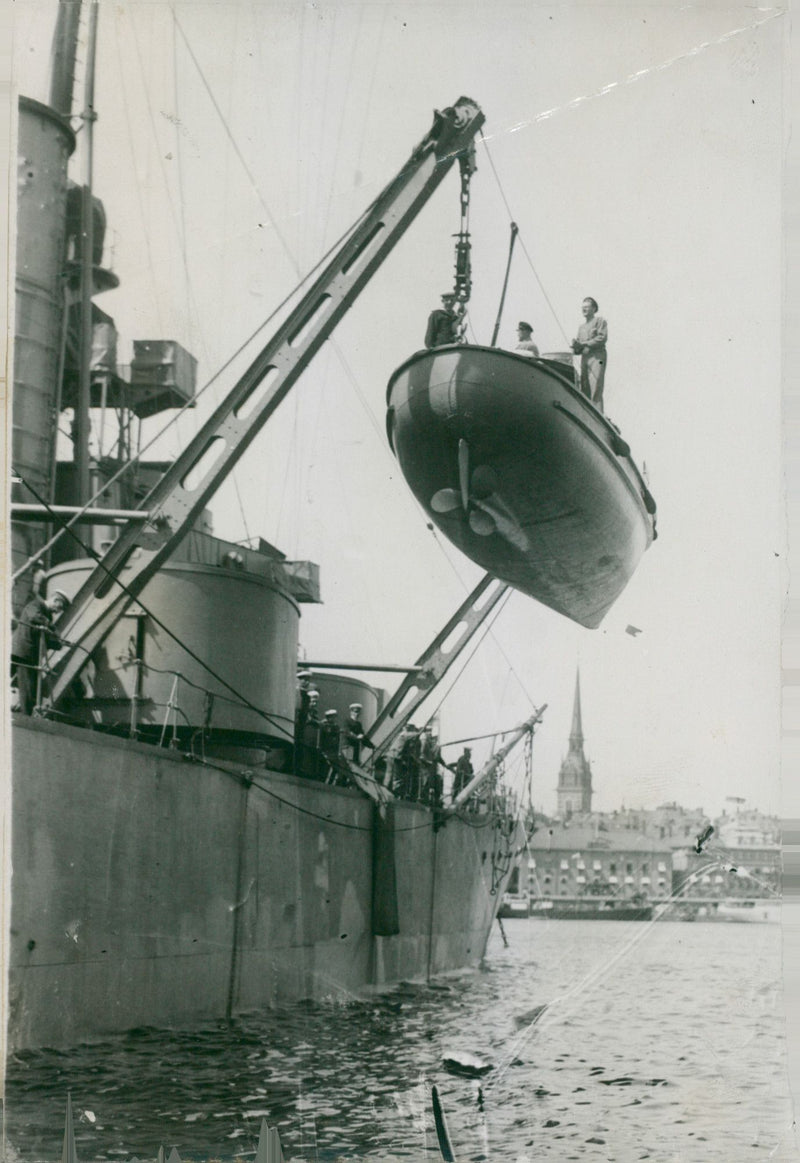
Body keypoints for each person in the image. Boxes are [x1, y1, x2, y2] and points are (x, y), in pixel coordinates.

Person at [11, 589, 68, 715]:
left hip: (30, 654)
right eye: (59, 607)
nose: (59, 611)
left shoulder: (48, 616)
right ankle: (26, 718)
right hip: (22, 651)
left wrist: (58, 645)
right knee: (27, 687)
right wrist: (53, 628)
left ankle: (26, 714)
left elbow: (43, 639)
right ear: (55, 600)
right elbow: (34, 617)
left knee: (31, 687)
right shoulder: (36, 605)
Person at [571, 297, 607, 411]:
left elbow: (602, 338)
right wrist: (576, 346)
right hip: (584, 358)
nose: (584, 309)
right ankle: (586, 413)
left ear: (594, 308)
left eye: (586, 307)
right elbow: (578, 350)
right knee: (584, 386)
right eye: (583, 307)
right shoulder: (581, 327)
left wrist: (584, 344)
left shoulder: (599, 321)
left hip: (597, 356)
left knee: (596, 386)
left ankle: (598, 414)